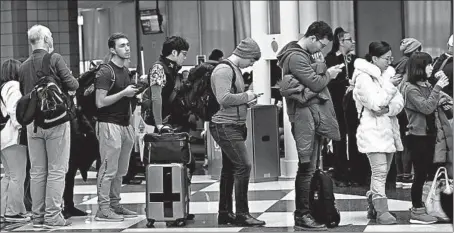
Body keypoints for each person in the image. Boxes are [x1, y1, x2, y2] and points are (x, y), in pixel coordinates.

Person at [276, 21, 342, 231]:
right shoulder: (296, 57)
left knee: (310, 167)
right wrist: (327, 73)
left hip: (310, 116)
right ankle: (302, 214)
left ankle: (309, 211)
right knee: (306, 166)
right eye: (321, 46)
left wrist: (318, 73)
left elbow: (309, 84)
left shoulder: (301, 55)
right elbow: (315, 83)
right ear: (313, 38)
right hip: (304, 118)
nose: (321, 51)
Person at [19, 24, 79, 228]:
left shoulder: (24, 65)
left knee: (37, 171)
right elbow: (73, 85)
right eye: (51, 36)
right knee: (57, 170)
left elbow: (24, 92)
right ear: (45, 39)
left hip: (32, 125)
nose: (52, 38)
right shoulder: (55, 58)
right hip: (56, 122)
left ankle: (38, 217)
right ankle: (53, 217)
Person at [210, 37, 265, 226]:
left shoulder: (235, 70)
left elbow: (232, 98)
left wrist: (247, 100)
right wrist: (246, 96)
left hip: (233, 124)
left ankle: (225, 213)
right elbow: (223, 98)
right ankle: (242, 213)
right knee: (244, 165)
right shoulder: (224, 70)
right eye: (252, 60)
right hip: (225, 125)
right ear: (244, 55)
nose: (251, 65)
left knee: (230, 169)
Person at [351, 41, 404, 225]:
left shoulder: (389, 74)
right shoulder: (362, 78)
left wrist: (388, 108)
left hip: (389, 129)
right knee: (379, 171)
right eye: (386, 58)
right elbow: (374, 104)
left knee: (384, 172)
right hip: (371, 130)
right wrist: (390, 90)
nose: (390, 61)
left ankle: (373, 204)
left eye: (391, 57)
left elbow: (398, 103)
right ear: (374, 58)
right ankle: (382, 211)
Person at [94, 33, 139, 222]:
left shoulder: (125, 70)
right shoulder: (106, 72)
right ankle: (103, 209)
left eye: (128, 45)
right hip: (108, 124)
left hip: (124, 125)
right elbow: (100, 102)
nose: (127, 48)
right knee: (108, 169)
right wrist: (124, 93)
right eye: (122, 46)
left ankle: (114, 203)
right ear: (112, 49)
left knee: (121, 170)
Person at [402, 51, 451, 224]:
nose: (431, 67)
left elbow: (442, 101)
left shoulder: (426, 85)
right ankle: (417, 210)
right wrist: (438, 87)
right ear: (419, 68)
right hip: (417, 136)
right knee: (420, 174)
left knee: (430, 173)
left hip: (432, 134)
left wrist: (440, 91)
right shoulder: (410, 89)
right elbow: (427, 107)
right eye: (428, 65)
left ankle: (428, 206)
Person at [325, 27, 359, 186]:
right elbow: (329, 83)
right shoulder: (331, 59)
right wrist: (345, 84)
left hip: (353, 104)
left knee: (354, 136)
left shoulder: (354, 60)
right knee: (340, 138)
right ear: (340, 41)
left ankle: (354, 170)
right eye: (349, 39)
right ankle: (340, 172)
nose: (352, 42)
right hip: (338, 103)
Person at [0, 59, 29, 223]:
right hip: (12, 137)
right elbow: (14, 110)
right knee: (18, 175)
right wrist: (21, 127)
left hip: (3, 137)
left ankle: (5, 209)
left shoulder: (3, 87)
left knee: (9, 175)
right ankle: (13, 212)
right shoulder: (13, 86)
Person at [392, 38, 422, 189]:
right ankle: (406, 176)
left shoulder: (400, 63)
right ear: (415, 51)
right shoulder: (409, 64)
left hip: (398, 107)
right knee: (407, 142)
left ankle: (400, 176)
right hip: (405, 107)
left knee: (401, 141)